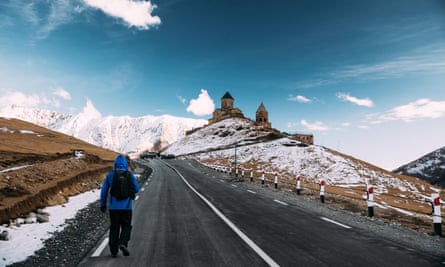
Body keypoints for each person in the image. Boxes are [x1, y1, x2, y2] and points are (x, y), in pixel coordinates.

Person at [100, 154, 140, 257]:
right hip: (127, 207)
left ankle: (113, 250)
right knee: (126, 226)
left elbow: (104, 191)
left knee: (114, 227)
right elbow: (136, 189)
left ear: (115, 164)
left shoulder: (110, 175)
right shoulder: (129, 175)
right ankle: (122, 242)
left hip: (113, 208)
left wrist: (103, 204)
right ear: (126, 164)